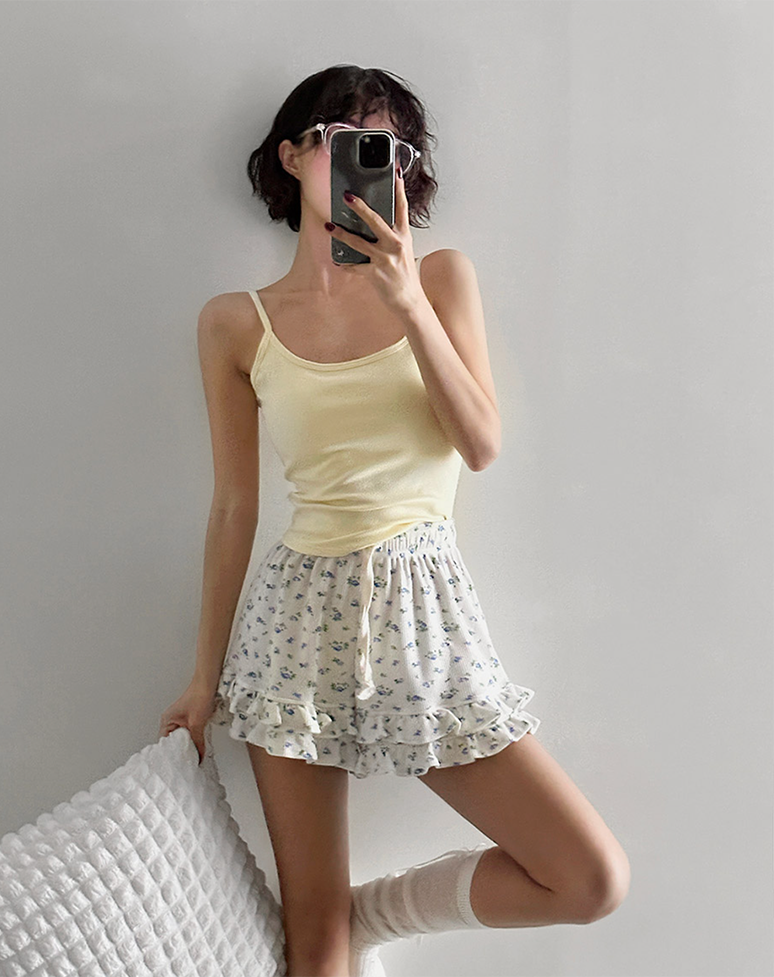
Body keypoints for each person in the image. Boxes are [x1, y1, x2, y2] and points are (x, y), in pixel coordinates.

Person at [159, 65, 631, 977]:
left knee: (587, 877)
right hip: (293, 627)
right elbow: (233, 506)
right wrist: (203, 677)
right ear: (292, 155)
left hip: (422, 611)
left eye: (391, 149)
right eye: (347, 140)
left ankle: (371, 914)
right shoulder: (235, 324)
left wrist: (406, 300)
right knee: (316, 948)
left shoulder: (441, 279)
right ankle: (337, 925)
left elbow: (481, 443)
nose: (371, 162)